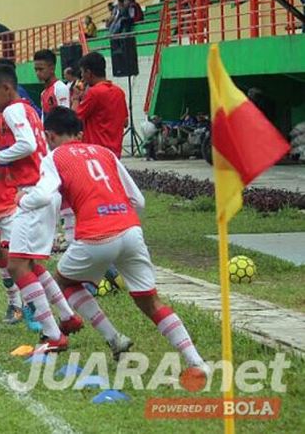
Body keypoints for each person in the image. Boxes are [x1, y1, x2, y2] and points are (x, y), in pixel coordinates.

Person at [22, 107, 209, 377]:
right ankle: (196, 362)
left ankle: (113, 338)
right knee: (151, 301)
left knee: (63, 282)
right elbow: (139, 201)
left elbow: (41, 196)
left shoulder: (54, 157)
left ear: (49, 135)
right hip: (131, 230)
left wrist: (22, 201)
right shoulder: (105, 152)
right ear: (79, 132)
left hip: (96, 235)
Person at [0, 65, 81, 351]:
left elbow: (26, 145)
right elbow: (32, 145)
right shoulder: (28, 108)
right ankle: (68, 316)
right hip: (44, 188)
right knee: (31, 263)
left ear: (6, 89)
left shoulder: (11, 111)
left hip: (33, 192)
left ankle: (52, 334)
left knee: (16, 264)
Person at [71, 52, 128, 157]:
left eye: (82, 72)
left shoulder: (94, 92)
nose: (82, 77)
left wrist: (75, 97)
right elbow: (125, 122)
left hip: (96, 152)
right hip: (115, 153)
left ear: (89, 73)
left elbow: (74, 118)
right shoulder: (119, 92)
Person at [33, 49, 70, 118]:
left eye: (41, 69)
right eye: (36, 70)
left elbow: (65, 118)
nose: (37, 73)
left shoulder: (60, 88)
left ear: (52, 68)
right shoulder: (43, 93)